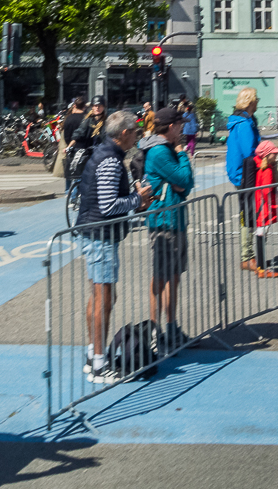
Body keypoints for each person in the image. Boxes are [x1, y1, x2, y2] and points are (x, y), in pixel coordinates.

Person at [76, 111, 154, 382]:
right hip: (100, 235)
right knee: (103, 300)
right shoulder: (110, 159)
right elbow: (108, 206)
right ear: (123, 134)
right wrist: (136, 199)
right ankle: (98, 363)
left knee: (100, 298)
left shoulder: (105, 153)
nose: (137, 135)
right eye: (134, 131)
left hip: (94, 232)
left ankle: (93, 355)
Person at [142, 105, 195, 350]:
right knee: (162, 278)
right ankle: (156, 331)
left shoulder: (166, 150)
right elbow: (184, 180)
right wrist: (182, 153)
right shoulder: (160, 152)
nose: (183, 128)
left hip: (174, 220)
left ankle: (171, 328)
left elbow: (187, 184)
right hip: (164, 222)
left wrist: (180, 180)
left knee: (172, 277)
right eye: (180, 125)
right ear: (171, 126)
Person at [225, 87, 262, 270]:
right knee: (248, 214)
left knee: (245, 213)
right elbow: (250, 151)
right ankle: (247, 256)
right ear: (250, 102)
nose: (258, 103)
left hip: (238, 171)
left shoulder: (238, 121)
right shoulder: (245, 123)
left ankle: (247, 254)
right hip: (245, 172)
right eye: (256, 100)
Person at [251, 140, 278, 278]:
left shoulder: (262, 167)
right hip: (264, 205)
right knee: (261, 234)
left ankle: (261, 265)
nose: (276, 156)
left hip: (262, 204)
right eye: (274, 154)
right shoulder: (267, 171)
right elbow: (267, 189)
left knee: (261, 234)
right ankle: (261, 268)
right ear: (267, 155)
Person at [60, 96, 88, 192]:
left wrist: (69, 145)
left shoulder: (68, 118)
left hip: (71, 148)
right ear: (84, 106)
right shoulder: (86, 118)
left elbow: (66, 135)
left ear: (75, 105)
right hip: (84, 148)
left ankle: (68, 191)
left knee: (70, 171)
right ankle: (76, 194)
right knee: (80, 173)